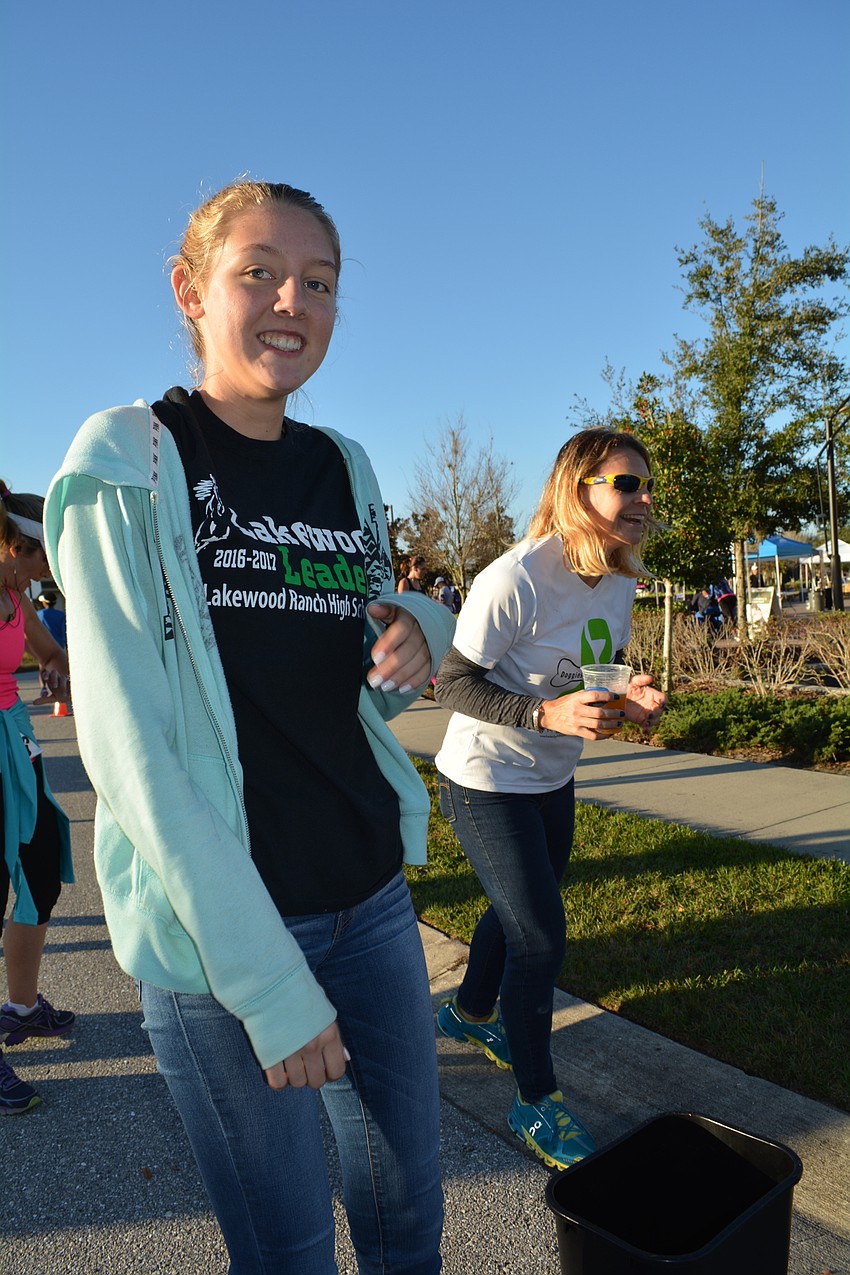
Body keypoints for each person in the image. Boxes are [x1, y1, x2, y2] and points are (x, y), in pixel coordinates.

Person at [45, 181, 453, 1271]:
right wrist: (269, 988)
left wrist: (421, 623)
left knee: (410, 1218)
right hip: (216, 942)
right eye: (259, 272)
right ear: (190, 291)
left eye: (318, 283)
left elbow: (366, 683)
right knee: (286, 1252)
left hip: (367, 904)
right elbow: (127, 752)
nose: (292, 300)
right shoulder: (125, 460)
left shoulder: (346, 467)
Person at [433, 429, 666, 1170]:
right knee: (539, 934)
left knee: (522, 906)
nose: (643, 498)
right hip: (486, 779)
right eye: (626, 483)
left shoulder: (622, 573)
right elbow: (454, 682)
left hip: (552, 777)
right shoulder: (518, 576)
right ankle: (536, 1100)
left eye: (646, 484)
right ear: (579, 489)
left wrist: (630, 693)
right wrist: (544, 714)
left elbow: (596, 664)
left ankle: (471, 1012)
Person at [0, 485, 74, 1116]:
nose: (56, 563)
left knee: (40, 870)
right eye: (48, 551)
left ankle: (20, 1008)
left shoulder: (17, 593)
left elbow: (49, 652)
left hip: (14, 741)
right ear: (20, 548)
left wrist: (54, 666)